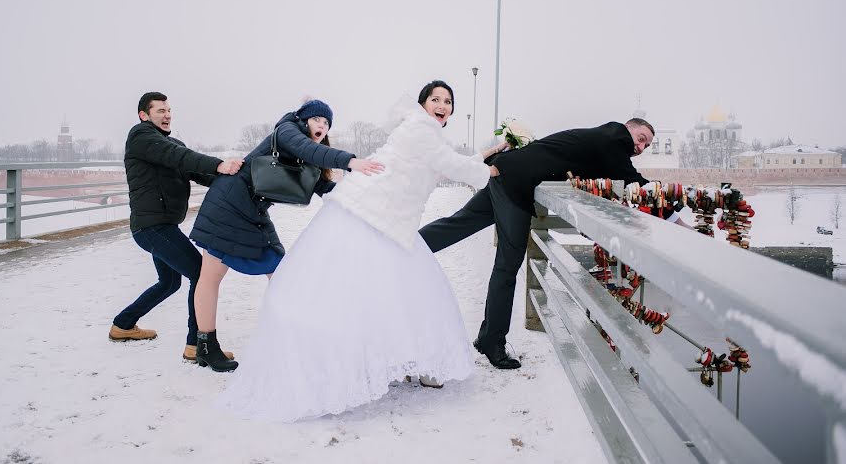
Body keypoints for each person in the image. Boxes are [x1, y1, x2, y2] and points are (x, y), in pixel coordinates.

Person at [216, 81, 506, 421]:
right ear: (423, 104)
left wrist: (491, 151)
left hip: (388, 220)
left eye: (447, 101)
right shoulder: (419, 128)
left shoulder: (426, 133)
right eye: (435, 99)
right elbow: (452, 165)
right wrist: (488, 171)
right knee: (381, 292)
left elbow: (448, 162)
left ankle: (413, 360)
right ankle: (388, 364)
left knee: (397, 292)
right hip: (372, 215)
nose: (442, 105)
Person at [419, 118, 678, 370]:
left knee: (458, 224)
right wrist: (676, 215)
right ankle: (492, 341)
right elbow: (637, 184)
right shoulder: (616, 138)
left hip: (506, 172)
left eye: (646, 146)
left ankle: (409, 245)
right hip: (515, 186)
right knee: (507, 266)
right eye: (641, 139)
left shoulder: (603, 138)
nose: (640, 147)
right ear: (628, 128)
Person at [188, 99, 384, 372]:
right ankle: (206, 346)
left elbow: (323, 187)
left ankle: (287, 338)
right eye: (318, 119)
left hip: (250, 209)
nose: (322, 126)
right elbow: (307, 149)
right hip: (229, 203)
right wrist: (351, 162)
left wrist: (361, 196)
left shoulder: (308, 154)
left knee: (280, 271)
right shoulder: (287, 131)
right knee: (211, 276)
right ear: (304, 119)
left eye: (327, 123)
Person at [110, 91, 244, 363]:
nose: (167, 114)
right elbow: (179, 157)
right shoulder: (141, 137)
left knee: (169, 282)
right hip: (152, 227)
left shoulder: (170, 145)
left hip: (162, 225)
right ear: (144, 116)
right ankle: (195, 344)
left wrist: (239, 179)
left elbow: (199, 172)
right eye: (160, 110)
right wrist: (220, 164)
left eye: (169, 110)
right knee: (200, 273)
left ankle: (123, 324)